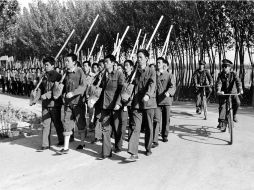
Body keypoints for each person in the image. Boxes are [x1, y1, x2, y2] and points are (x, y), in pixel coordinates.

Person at [127, 49, 157, 161]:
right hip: (137, 103)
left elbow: (152, 84)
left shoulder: (151, 71)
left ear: (147, 59)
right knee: (135, 127)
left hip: (149, 103)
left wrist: (148, 95)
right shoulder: (135, 72)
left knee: (149, 127)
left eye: (141, 57)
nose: (138, 60)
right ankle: (133, 153)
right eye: (137, 57)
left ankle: (148, 147)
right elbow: (130, 85)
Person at [57, 53, 88, 154]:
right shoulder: (65, 73)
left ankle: (82, 142)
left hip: (78, 103)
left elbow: (84, 86)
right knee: (67, 123)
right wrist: (61, 92)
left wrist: (74, 93)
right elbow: (64, 86)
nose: (65, 63)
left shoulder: (80, 72)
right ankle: (66, 147)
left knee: (80, 123)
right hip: (67, 104)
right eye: (65, 61)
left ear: (74, 62)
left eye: (68, 61)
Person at [97, 54, 124, 158]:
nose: (105, 64)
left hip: (115, 106)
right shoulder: (103, 75)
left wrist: (118, 103)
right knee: (105, 128)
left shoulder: (119, 74)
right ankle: (106, 152)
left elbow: (122, 90)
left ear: (113, 63)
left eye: (107, 62)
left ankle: (118, 145)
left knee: (117, 129)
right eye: (104, 62)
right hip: (104, 105)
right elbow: (99, 89)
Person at [36, 56, 64, 150]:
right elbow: (40, 89)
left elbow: (58, 90)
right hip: (45, 104)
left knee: (57, 123)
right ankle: (45, 144)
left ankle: (61, 140)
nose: (45, 66)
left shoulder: (58, 76)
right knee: (45, 124)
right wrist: (35, 98)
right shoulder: (43, 76)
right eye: (44, 65)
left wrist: (47, 95)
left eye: (47, 65)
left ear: (52, 65)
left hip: (55, 104)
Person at [153, 57, 176, 147]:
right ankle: (155, 140)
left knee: (166, 119)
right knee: (156, 120)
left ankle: (164, 135)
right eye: (157, 62)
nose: (157, 64)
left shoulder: (169, 75)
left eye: (159, 63)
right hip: (157, 101)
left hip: (166, 101)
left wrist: (169, 92)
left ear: (163, 64)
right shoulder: (154, 75)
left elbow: (173, 86)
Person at [216, 59, 243, 132]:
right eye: (223, 66)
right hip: (224, 93)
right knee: (222, 107)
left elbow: (238, 81)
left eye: (225, 66)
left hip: (233, 93)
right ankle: (222, 122)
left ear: (229, 67)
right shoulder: (220, 75)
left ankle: (234, 115)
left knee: (237, 102)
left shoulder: (233, 74)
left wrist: (240, 89)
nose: (224, 68)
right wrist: (219, 90)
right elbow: (219, 83)